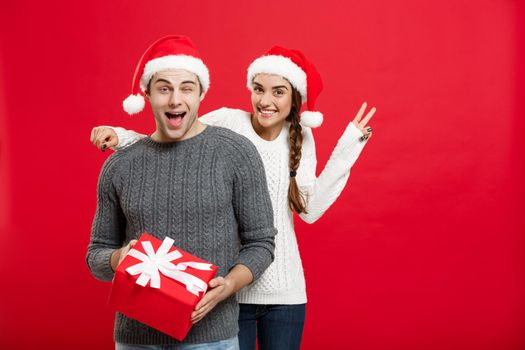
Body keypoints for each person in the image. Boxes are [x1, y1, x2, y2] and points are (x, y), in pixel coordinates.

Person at [91, 45, 376, 350]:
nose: (265, 101)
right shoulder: (229, 122)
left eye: (278, 92)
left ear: (294, 99)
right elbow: (178, 135)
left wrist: (348, 147)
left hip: (283, 291)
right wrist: (123, 138)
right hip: (230, 293)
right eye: (258, 89)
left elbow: (309, 210)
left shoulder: (301, 137)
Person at [86, 35, 276, 350]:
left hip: (212, 338)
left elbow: (262, 243)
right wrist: (120, 258)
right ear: (146, 93)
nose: (175, 100)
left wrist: (228, 285)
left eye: (186, 88)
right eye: (164, 88)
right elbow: (96, 254)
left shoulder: (236, 153)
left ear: (202, 92)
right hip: (137, 340)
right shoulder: (119, 166)